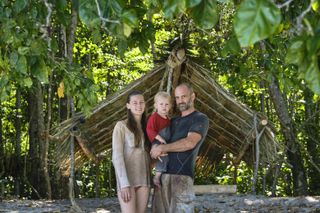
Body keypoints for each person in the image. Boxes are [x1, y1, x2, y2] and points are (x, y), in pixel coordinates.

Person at [150, 83, 209, 213]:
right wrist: (155, 148)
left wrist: (162, 148)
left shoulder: (200, 118)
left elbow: (189, 143)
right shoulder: (172, 121)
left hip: (182, 177)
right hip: (162, 177)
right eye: (177, 98)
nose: (180, 100)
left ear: (192, 96)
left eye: (183, 96)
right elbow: (158, 139)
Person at [112, 90, 151, 213]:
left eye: (141, 102)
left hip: (144, 180)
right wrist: (124, 184)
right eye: (134, 103)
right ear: (128, 105)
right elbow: (117, 156)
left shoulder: (149, 128)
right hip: (127, 181)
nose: (138, 105)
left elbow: (150, 155)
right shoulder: (121, 126)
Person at [146, 91, 172, 188]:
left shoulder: (168, 119)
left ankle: (162, 176)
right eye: (161, 104)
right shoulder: (154, 118)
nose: (164, 106)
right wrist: (159, 138)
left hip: (166, 143)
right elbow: (149, 129)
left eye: (166, 104)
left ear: (170, 106)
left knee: (167, 158)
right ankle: (157, 177)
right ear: (156, 105)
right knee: (163, 157)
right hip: (157, 142)